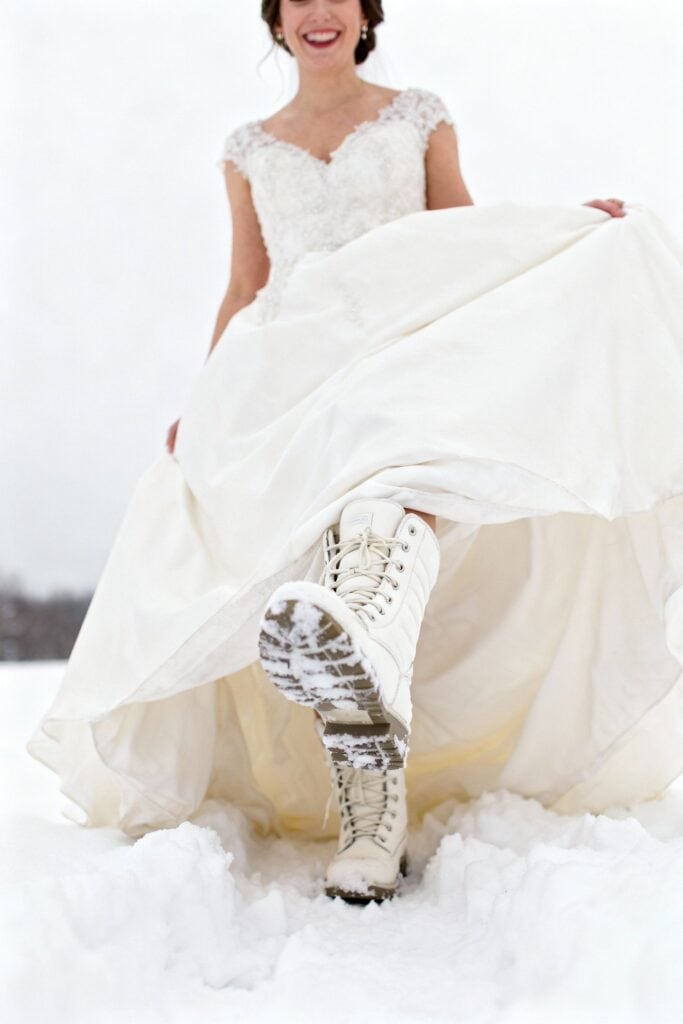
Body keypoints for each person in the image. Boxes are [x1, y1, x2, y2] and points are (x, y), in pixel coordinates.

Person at [27, 0, 683, 906]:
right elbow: (245, 284)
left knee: (394, 480)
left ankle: (368, 745)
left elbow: (465, 236)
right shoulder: (248, 149)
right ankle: (365, 735)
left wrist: (557, 235)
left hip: (403, 346)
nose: (318, 11)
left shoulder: (418, 116)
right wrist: (208, 404)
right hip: (292, 364)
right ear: (276, 19)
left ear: (366, 13)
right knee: (344, 511)